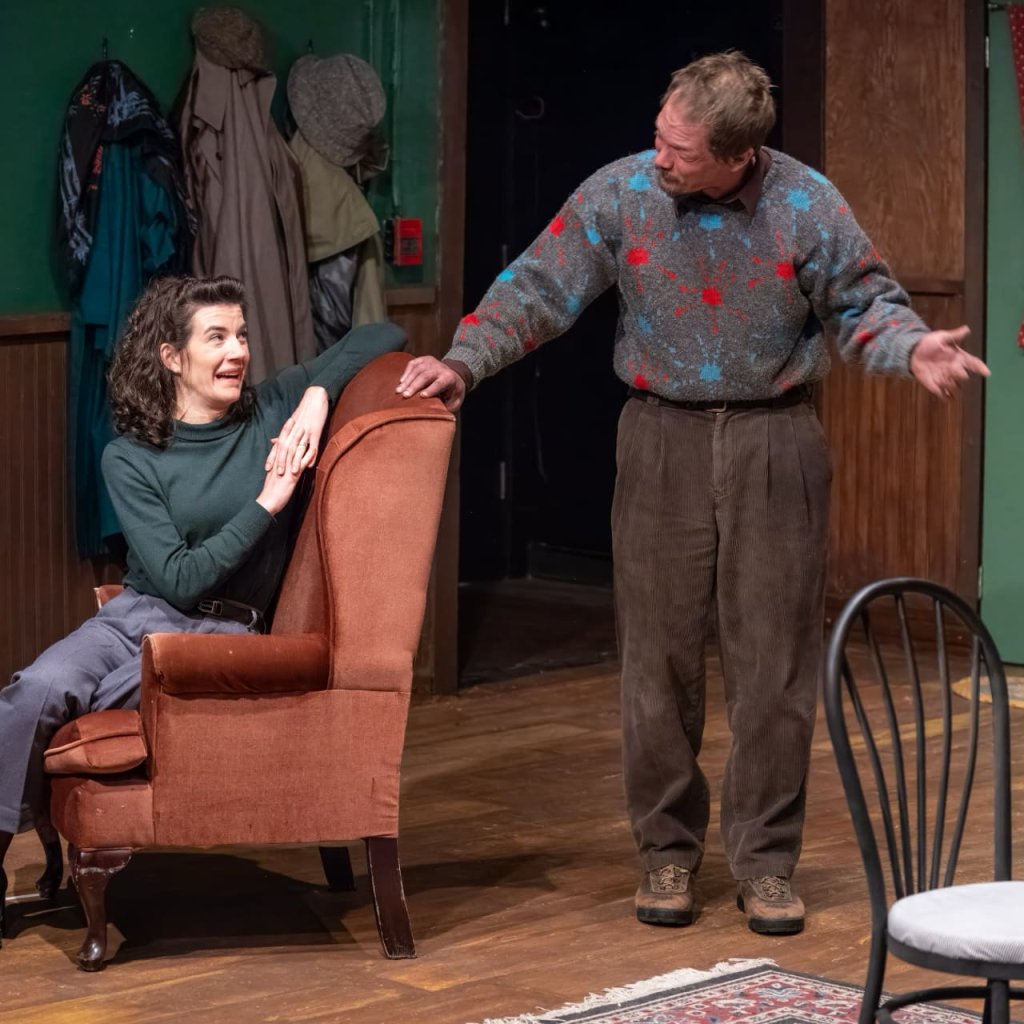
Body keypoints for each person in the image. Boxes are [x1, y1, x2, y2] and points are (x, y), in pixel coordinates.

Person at [396, 51, 989, 935]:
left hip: (774, 439)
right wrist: (462, 361)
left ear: (739, 155)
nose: (660, 157)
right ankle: (667, 855)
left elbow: (865, 303)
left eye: (680, 149)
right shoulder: (622, 191)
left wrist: (910, 348)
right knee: (656, 661)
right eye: (659, 136)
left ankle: (765, 863)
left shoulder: (805, 202)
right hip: (661, 434)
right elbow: (539, 286)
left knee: (773, 666)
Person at [0, 274, 405, 945]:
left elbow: (383, 334)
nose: (238, 350)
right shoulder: (130, 457)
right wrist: (267, 503)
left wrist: (313, 394)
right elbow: (176, 578)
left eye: (241, 334)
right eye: (216, 337)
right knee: (36, 689)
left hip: (222, 628)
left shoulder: (270, 407)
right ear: (170, 355)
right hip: (135, 612)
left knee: (86, 697)